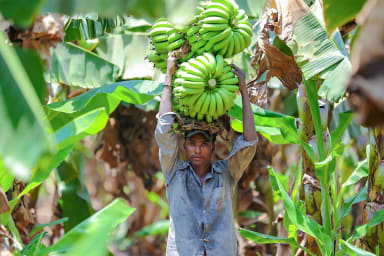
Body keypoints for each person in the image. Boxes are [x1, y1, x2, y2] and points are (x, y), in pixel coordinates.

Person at [155, 52, 257, 256]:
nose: (198, 149)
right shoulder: (174, 173)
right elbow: (164, 128)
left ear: (212, 146)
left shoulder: (226, 174)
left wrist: (244, 91)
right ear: (184, 146)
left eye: (203, 144)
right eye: (192, 144)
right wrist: (168, 76)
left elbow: (249, 142)